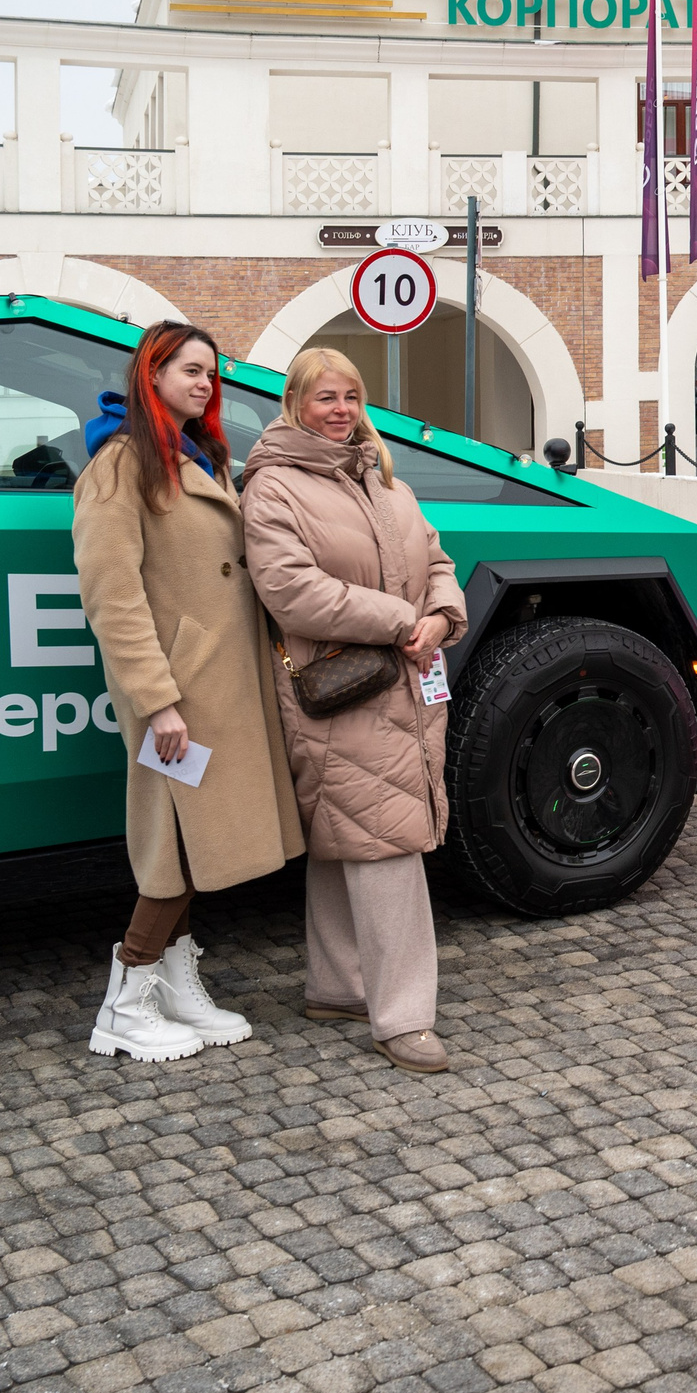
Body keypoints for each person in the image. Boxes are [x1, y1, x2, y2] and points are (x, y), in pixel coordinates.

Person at [72, 321, 305, 1063]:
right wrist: (157, 699)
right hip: (176, 695)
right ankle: (126, 998)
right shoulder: (119, 465)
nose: (206, 384)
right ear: (153, 374)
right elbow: (113, 597)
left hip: (218, 686)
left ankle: (174, 982)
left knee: (194, 842)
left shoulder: (196, 455)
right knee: (171, 846)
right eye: (190, 371)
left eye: (212, 373)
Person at [241, 348, 465, 1075]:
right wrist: (400, 619)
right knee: (387, 843)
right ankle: (404, 1019)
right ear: (294, 404)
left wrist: (441, 616)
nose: (340, 410)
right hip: (341, 690)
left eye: (350, 397)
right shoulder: (273, 486)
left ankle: (337, 986)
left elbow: (436, 561)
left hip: (400, 677)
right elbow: (290, 591)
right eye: (323, 398)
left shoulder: (381, 477)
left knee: (354, 834)